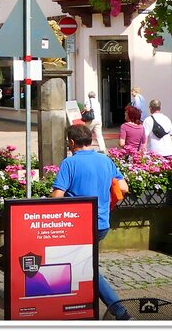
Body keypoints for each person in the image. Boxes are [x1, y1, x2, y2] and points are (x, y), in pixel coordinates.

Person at [50, 124, 130, 320]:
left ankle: (121, 313)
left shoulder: (69, 163)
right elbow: (124, 188)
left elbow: (56, 197)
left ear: (71, 142)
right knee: (76, 263)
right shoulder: (105, 160)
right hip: (102, 224)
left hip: (79, 226)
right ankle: (71, 303)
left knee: (88, 268)